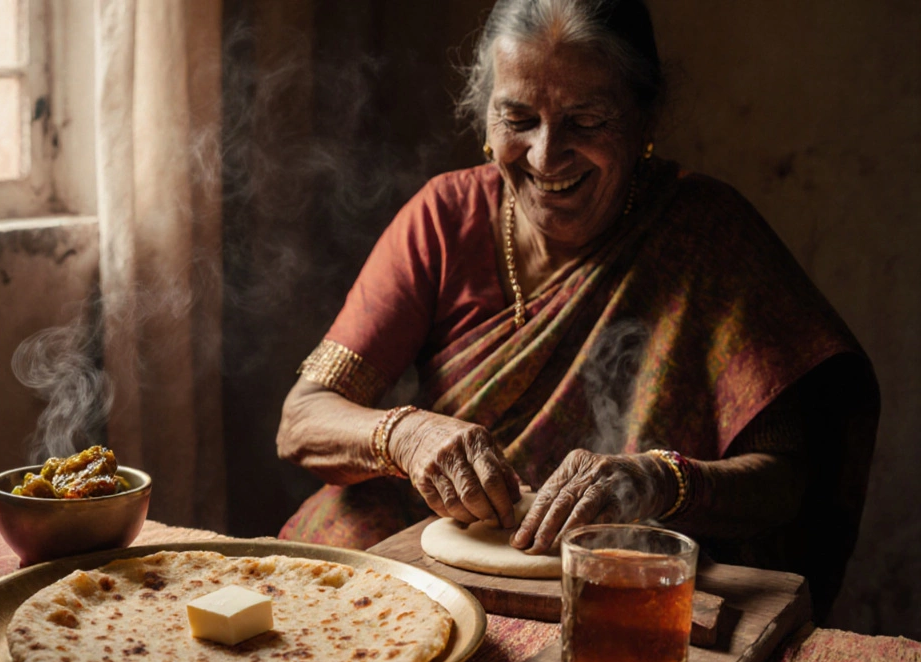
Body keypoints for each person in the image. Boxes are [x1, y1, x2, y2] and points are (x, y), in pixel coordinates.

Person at [274, 0, 878, 622]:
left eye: (585, 121)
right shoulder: (443, 218)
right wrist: (404, 434)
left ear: (645, 119)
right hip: (443, 562)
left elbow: (783, 479)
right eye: (518, 119)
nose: (544, 156)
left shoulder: (706, 236)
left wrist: (658, 483)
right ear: (486, 118)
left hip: (623, 579)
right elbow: (303, 419)